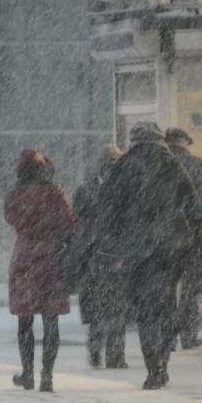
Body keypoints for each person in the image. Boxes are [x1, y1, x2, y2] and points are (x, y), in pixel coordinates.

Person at [97, 121, 202, 389]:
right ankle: (163, 361)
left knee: (145, 310)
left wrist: (109, 244)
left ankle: (152, 366)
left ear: (134, 140)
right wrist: (201, 240)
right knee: (166, 305)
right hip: (171, 248)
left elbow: (107, 209)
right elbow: (192, 204)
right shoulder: (171, 164)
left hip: (136, 250)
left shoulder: (123, 167)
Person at [5, 150, 73, 392]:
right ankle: (47, 375)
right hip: (49, 257)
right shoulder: (54, 192)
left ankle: (27, 373)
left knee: (25, 320)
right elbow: (68, 223)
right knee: (50, 318)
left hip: (23, 258)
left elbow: (10, 218)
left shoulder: (14, 195)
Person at [69, 145, 127, 369]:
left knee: (97, 308)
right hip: (115, 256)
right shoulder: (125, 191)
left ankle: (96, 348)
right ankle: (114, 355)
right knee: (116, 308)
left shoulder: (86, 191)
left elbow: (78, 225)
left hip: (93, 257)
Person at [164, 128, 202, 350]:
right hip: (193, 234)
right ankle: (189, 334)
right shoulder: (198, 165)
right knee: (189, 288)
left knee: (166, 287)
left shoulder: (162, 165)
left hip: (167, 234)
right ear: (186, 142)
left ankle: (168, 337)